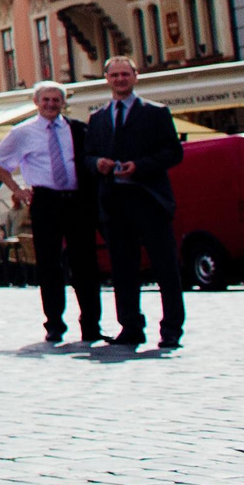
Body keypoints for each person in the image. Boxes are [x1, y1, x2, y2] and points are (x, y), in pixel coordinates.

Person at [0, 83, 102, 344]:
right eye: (46, 100)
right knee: (50, 265)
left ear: (63, 102)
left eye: (56, 100)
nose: (51, 104)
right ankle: (54, 324)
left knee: (85, 264)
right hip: (45, 200)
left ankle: (91, 324)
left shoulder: (77, 129)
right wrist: (16, 189)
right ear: (36, 102)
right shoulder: (24, 132)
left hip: (76, 200)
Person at [86, 54, 184, 350]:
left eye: (125, 74)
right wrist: (97, 164)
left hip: (149, 200)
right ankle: (130, 326)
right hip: (115, 203)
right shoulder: (99, 117)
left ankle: (171, 329)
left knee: (165, 268)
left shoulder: (155, 112)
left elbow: (173, 152)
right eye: (114, 75)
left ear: (135, 76)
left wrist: (140, 166)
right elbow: (86, 157)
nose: (120, 80)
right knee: (123, 269)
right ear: (107, 79)